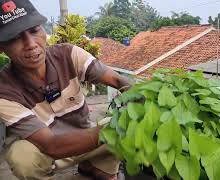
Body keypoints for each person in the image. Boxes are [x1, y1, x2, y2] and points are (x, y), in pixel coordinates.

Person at [0, 0, 132, 179]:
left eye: (34, 30)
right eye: (15, 37)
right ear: (2, 47)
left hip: (85, 137)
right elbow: (51, 145)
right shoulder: (4, 90)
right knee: (22, 157)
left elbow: (118, 80)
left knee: (130, 124)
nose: (30, 44)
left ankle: (94, 166)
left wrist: (143, 97)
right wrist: (112, 131)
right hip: (48, 152)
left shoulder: (68, 54)